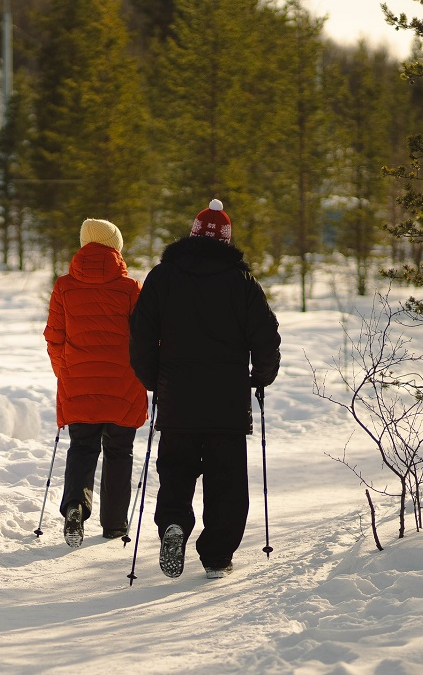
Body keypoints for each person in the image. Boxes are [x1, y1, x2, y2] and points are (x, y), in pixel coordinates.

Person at [128, 199, 281, 579]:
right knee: (226, 481)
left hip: (177, 398)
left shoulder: (162, 277)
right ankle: (216, 557)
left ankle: (174, 526)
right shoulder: (242, 282)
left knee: (176, 473)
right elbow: (266, 338)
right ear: (226, 242)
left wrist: (153, 381)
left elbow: (140, 338)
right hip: (227, 402)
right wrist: (261, 376)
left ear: (192, 236)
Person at [44, 218, 149, 548]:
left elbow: (54, 337)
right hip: (123, 384)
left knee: (82, 449)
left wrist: (66, 373)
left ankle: (76, 506)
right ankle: (115, 524)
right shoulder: (131, 288)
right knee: (119, 451)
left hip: (79, 383)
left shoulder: (64, 286)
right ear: (116, 245)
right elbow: (144, 339)